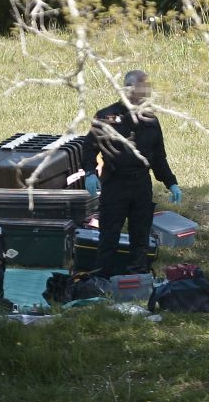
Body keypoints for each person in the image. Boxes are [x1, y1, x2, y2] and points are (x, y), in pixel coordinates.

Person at [82, 70, 182, 277]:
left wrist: (171, 182)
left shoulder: (150, 120)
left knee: (140, 236)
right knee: (109, 235)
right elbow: (89, 147)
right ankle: (103, 278)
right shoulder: (106, 117)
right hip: (115, 183)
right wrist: (90, 172)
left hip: (141, 185)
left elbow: (159, 158)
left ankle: (138, 277)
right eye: (142, 89)